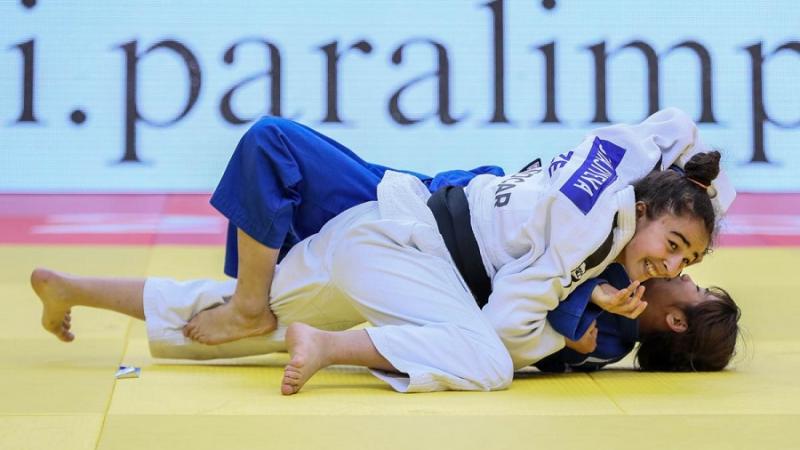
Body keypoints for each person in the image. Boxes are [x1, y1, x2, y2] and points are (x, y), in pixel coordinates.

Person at [32, 108, 734, 393]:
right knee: (486, 361)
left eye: (690, 273)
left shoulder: (609, 290)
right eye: (680, 254)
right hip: (412, 230)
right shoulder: (596, 230)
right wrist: (573, 317)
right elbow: (505, 342)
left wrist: (578, 328)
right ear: (646, 205)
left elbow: (671, 130)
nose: (675, 270)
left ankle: (77, 289)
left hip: (401, 253)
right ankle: (299, 330)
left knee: (259, 323)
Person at [536, 264, 741, 373]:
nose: (687, 276)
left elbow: (537, 355)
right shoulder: (637, 261)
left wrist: (562, 340)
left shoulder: (604, 346)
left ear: (677, 321)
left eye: (697, 289)